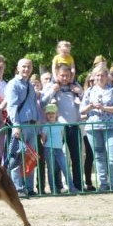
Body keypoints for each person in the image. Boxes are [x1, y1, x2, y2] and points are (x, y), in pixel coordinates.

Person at [80, 64, 113, 191]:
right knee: (99, 156)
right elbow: (81, 110)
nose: (100, 78)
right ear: (94, 77)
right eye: (97, 75)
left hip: (111, 126)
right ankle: (103, 184)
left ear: (107, 76)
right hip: (93, 128)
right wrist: (91, 107)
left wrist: (104, 108)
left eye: (102, 75)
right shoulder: (89, 91)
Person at [41, 64, 84, 192]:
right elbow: (43, 102)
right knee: (57, 159)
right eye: (62, 75)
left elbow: (85, 100)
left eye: (67, 75)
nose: (64, 78)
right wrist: (53, 90)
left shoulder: (75, 86)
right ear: (57, 75)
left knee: (76, 157)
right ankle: (57, 186)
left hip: (74, 125)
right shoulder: (52, 86)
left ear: (71, 75)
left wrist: (80, 92)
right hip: (58, 127)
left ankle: (77, 185)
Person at [4, 58, 42, 196]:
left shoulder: (30, 86)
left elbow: (34, 105)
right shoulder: (13, 84)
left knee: (30, 158)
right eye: (24, 66)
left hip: (32, 126)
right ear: (18, 68)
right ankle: (18, 188)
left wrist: (38, 121)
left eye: (29, 67)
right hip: (21, 125)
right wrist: (16, 125)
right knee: (17, 157)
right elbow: (12, 106)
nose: (26, 69)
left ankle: (30, 188)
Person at [41, 104, 75, 193]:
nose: (51, 115)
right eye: (48, 113)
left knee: (65, 168)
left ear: (56, 114)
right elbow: (43, 139)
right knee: (51, 170)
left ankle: (71, 188)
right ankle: (53, 189)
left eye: (52, 113)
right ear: (46, 115)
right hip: (49, 149)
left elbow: (62, 136)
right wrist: (46, 146)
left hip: (59, 149)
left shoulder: (61, 125)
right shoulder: (46, 126)